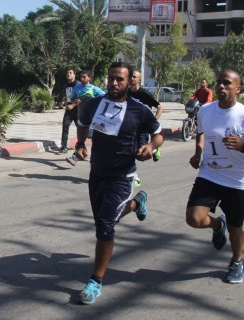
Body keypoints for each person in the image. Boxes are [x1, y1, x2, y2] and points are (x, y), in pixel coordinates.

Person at [74, 61, 164, 305]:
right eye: (111, 78)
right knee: (103, 221)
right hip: (97, 173)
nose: (114, 83)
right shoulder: (94, 104)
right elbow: (82, 125)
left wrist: (151, 146)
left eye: (120, 79)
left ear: (129, 82)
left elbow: (159, 134)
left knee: (105, 227)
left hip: (122, 176)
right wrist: (80, 144)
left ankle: (95, 281)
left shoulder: (139, 110)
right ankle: (136, 203)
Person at [186, 69, 244, 284]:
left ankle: (237, 261)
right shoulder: (205, 110)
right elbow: (201, 133)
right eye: (219, 82)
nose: (221, 86)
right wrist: (198, 153)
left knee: (236, 228)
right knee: (194, 218)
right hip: (209, 174)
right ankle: (217, 225)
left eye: (227, 83)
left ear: (238, 88)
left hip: (236, 180)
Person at [64, 70, 105, 165]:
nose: (82, 79)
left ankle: (96, 157)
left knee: (94, 139)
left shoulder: (94, 89)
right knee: (81, 141)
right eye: (81, 77)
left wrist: (92, 100)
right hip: (82, 116)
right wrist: (74, 102)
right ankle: (76, 157)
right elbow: (72, 98)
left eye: (84, 77)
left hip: (93, 118)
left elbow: (104, 97)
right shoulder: (77, 88)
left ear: (89, 78)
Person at [129, 70, 163, 162]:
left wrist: (154, 120)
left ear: (139, 80)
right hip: (132, 126)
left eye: (134, 77)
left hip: (143, 127)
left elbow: (160, 107)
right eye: (130, 76)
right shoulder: (127, 93)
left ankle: (155, 148)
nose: (131, 78)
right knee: (129, 151)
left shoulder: (144, 94)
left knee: (141, 155)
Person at [59, 68, 80, 154]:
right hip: (69, 110)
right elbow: (67, 97)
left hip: (78, 110)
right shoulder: (66, 85)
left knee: (80, 129)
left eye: (70, 73)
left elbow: (80, 98)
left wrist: (73, 105)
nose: (68, 74)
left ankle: (80, 147)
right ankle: (64, 147)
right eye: (67, 73)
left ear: (74, 75)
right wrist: (63, 102)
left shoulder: (78, 84)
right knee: (65, 126)